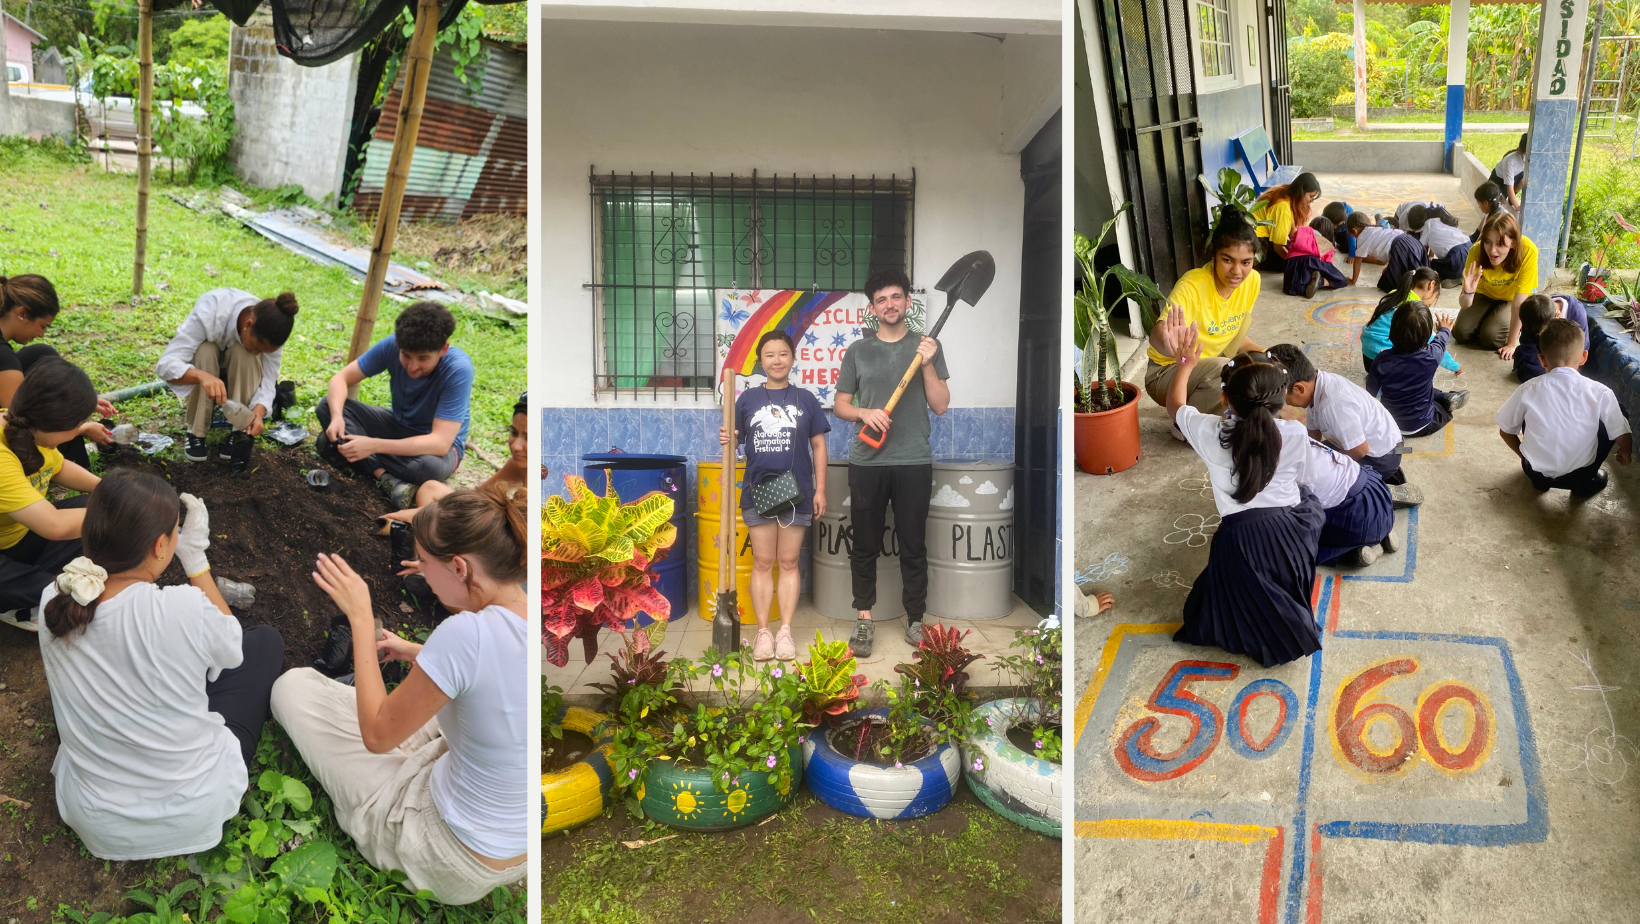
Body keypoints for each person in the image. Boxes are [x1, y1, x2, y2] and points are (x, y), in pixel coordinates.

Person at [271, 485, 527, 904]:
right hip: (514, 846)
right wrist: (419, 653)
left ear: (460, 567)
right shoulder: (533, 606)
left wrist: (360, 617)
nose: (421, 572)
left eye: (424, 562)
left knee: (291, 688)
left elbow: (376, 736)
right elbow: (496, 676)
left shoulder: (465, 634)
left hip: (444, 854)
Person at [37, 472, 283, 860]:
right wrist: (196, 561)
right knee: (265, 642)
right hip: (191, 810)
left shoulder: (56, 595)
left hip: (95, 817)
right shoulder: (180, 609)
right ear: (161, 545)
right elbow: (233, 649)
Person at [1159, 329, 1322, 668]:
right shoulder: (1294, 433)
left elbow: (1175, 406)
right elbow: (1306, 480)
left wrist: (1185, 365)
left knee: (1220, 599)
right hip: (1290, 536)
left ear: (1224, 398)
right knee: (1311, 503)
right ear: (1280, 401)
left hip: (1239, 540)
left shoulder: (1209, 432)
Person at [834, 268, 949, 657]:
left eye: (896, 297)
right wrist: (864, 414)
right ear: (872, 308)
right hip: (867, 462)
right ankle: (863, 619)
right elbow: (840, 405)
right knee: (864, 544)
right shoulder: (858, 351)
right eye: (881, 299)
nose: (889, 305)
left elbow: (941, 405)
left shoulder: (926, 347)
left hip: (914, 460)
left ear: (907, 302)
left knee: (913, 544)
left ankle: (915, 620)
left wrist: (928, 363)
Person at [719, 332, 829, 662]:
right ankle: (764, 631)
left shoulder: (806, 399)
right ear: (761, 360)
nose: (777, 360)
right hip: (758, 491)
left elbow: (819, 446)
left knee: (789, 562)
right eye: (770, 355)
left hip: (798, 493)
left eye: (783, 354)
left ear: (793, 359)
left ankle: (786, 632)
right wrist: (726, 436)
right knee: (763, 562)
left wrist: (820, 489)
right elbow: (732, 440)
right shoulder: (747, 400)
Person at [317, 302, 474, 509]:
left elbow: (439, 443)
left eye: (423, 359)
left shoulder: (458, 369)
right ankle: (385, 477)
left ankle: (359, 458)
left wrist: (372, 445)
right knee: (326, 406)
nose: (412, 366)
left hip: (438, 450)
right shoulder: (393, 344)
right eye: (406, 355)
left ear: (443, 349)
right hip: (398, 428)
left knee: (426, 468)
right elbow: (340, 378)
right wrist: (337, 416)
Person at [0, 359, 103, 629]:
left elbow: (58, 467)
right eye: (80, 422)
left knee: (95, 505)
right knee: (54, 587)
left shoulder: (29, 428)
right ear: (59, 422)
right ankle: (24, 600)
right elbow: (54, 526)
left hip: (19, 535)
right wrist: (125, 512)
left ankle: (35, 590)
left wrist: (105, 489)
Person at [156, 289, 299, 469]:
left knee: (246, 355)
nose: (258, 353)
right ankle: (196, 432)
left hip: (239, 368)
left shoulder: (272, 330)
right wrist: (202, 376)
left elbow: (269, 381)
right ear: (248, 324)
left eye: (262, 352)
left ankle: (239, 431)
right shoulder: (210, 310)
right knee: (205, 350)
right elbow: (165, 365)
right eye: (256, 346)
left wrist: (259, 412)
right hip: (207, 363)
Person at [1145, 210, 1265, 418]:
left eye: (1246, 262)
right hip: (1167, 371)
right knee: (1227, 372)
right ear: (1213, 254)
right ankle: (1184, 423)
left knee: (1265, 369)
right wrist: (1166, 341)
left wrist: (1267, 355)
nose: (1237, 271)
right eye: (1228, 260)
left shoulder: (1252, 281)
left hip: (1206, 366)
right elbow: (1157, 336)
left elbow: (1231, 333)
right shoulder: (1192, 285)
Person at [1496, 318, 1633, 497]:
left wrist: (1525, 458)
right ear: (1584, 357)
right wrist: (1625, 450)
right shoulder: (1600, 392)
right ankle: (1582, 485)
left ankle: (1540, 482)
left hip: (1534, 470)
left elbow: (1505, 431)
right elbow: (1621, 432)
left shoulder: (1528, 388)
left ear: (1542, 360)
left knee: (1527, 411)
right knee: (1617, 414)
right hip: (1581, 473)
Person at [0, 275, 116, 468]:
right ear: (22, 313)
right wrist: (82, 428)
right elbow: (18, 427)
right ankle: (63, 464)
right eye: (42, 326)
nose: (41, 334)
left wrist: (77, 399)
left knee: (42, 354)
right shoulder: (4, 358)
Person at [1267, 343, 1411, 487]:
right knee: (1316, 460)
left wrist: (1327, 471)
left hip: (1382, 456)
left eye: (1286, 399)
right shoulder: (1317, 383)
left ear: (1299, 388)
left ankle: (1382, 487)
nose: (1286, 404)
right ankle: (1379, 477)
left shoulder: (1333, 404)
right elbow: (1312, 436)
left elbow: (1359, 450)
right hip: (1372, 444)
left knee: (1327, 483)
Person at [382, 393, 528, 523]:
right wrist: (440, 510)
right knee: (430, 489)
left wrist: (425, 515)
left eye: (529, 438)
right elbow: (479, 494)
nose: (516, 446)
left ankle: (427, 531)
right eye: (514, 433)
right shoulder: (518, 465)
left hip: (506, 544)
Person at [1366, 301, 1469, 438]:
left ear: (1393, 330)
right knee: (1438, 405)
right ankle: (1444, 398)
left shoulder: (1381, 361)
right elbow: (1441, 341)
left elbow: (1371, 393)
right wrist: (1445, 329)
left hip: (1391, 424)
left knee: (1409, 387)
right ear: (1427, 335)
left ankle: (1443, 397)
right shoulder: (1432, 355)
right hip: (1423, 424)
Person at [1300, 437, 1398, 568]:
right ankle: (1383, 529)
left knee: (1289, 541)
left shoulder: (1277, 469)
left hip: (1355, 517)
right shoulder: (1294, 431)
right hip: (1376, 491)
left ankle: (1351, 552)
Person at [1455, 211, 1538, 356]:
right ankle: (1487, 319)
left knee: (1491, 338)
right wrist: (1468, 292)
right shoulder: (1476, 251)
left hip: (1512, 299)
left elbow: (1518, 304)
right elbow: (1465, 304)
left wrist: (1511, 344)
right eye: (1487, 241)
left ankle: (1498, 324)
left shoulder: (1528, 251)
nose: (1492, 250)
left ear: (1513, 242)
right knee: (1460, 333)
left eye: (1500, 244)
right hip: (1484, 294)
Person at [1361, 268, 1461, 378]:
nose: (1432, 302)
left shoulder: (1395, 294)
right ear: (1431, 285)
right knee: (1421, 351)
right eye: (1436, 296)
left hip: (1368, 360)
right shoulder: (1414, 310)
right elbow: (1434, 345)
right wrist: (1455, 366)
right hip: (1386, 365)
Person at [1251, 173, 1322, 271]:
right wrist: (1295, 265)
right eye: (1311, 196)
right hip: (1257, 243)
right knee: (1297, 262)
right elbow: (1278, 247)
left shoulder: (1286, 193)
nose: (1312, 200)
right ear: (1301, 192)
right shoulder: (1283, 207)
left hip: (1261, 236)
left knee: (1300, 253)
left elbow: (1293, 231)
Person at [1513, 293, 1590, 382]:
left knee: (1569, 378)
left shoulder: (1577, 313)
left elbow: (1580, 348)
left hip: (1566, 358)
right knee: (1527, 374)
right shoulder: (1532, 314)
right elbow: (1528, 347)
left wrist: (1562, 373)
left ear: (1558, 315)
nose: (1539, 334)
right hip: (1544, 359)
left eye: (1542, 332)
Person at [1345, 211, 1430, 291]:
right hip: (1412, 241)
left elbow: (1357, 261)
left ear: (1354, 231)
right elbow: (1388, 245)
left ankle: (1414, 288)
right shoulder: (1376, 228)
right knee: (1417, 272)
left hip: (1401, 247)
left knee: (1387, 285)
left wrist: (1353, 280)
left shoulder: (1362, 237)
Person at [1282, 217, 1346, 299]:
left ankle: (1306, 283)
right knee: (1340, 279)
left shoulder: (1299, 233)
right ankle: (1321, 282)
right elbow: (1328, 263)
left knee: (1296, 285)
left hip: (1291, 266)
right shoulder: (1325, 243)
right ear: (1328, 233)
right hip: (1311, 261)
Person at [1416, 204, 1473, 285]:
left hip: (1456, 258)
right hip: (1470, 251)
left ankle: (1453, 278)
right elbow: (1435, 241)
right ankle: (1463, 275)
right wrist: (1431, 255)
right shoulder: (1446, 223)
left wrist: (1425, 262)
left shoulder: (1429, 222)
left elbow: (1422, 247)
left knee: (1429, 265)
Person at [1491, 134, 1529, 212]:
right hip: (1499, 180)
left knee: (1525, 179)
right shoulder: (1510, 161)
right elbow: (1509, 188)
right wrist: (1517, 207)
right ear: (1520, 151)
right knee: (1495, 205)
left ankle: (1512, 199)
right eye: (1526, 154)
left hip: (1516, 175)